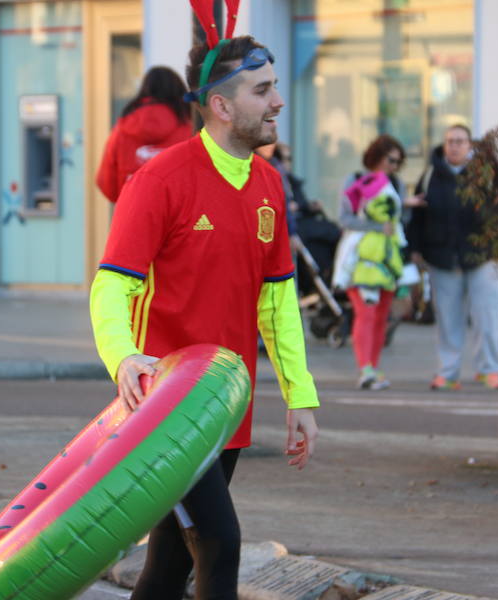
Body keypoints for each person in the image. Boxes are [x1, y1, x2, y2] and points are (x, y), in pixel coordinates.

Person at [89, 33, 319, 600]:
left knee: (169, 565)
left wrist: (300, 394)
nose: (277, 102)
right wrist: (123, 358)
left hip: (228, 405)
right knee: (219, 543)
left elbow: (277, 302)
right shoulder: (160, 180)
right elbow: (111, 285)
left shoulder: (269, 183)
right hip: (166, 408)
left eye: (274, 88)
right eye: (261, 90)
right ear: (221, 105)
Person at [407, 124, 498, 390]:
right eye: (450, 141)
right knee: (448, 320)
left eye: (460, 141)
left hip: (485, 257)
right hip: (442, 258)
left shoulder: (487, 175)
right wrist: (415, 249)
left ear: (470, 145)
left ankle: (490, 370)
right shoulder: (430, 176)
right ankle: (448, 373)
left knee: (489, 317)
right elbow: (417, 217)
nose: (454, 146)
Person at [333, 134, 419, 389]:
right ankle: (365, 368)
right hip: (358, 256)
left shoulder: (396, 183)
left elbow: (400, 220)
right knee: (366, 312)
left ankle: (373, 366)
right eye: (391, 160)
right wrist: (377, 226)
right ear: (377, 156)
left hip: (387, 257)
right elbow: (344, 218)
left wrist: (405, 208)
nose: (394, 166)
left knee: (381, 315)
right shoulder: (356, 179)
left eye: (398, 162)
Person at [95, 66, 194, 203]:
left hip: (131, 210)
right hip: (178, 212)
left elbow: (106, 183)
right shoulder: (189, 129)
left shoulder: (122, 128)